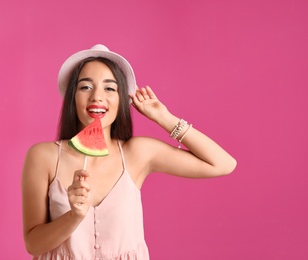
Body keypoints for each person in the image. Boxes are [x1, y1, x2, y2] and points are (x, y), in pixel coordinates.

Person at [22, 44, 237, 259]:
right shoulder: (44, 156)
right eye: (85, 87)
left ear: (122, 99)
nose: (97, 96)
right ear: (72, 97)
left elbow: (222, 164)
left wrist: (164, 118)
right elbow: (33, 244)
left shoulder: (137, 153)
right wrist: (74, 217)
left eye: (109, 88)